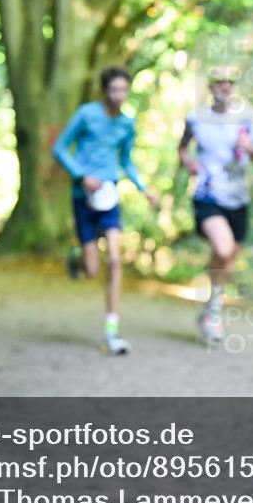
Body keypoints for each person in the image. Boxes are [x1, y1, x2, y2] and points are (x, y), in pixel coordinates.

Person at [53, 66, 158, 356]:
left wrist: (143, 187)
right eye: (114, 90)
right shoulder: (87, 114)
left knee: (114, 259)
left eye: (123, 90)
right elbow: (60, 148)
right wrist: (81, 175)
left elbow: (127, 161)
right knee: (92, 270)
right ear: (104, 90)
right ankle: (78, 258)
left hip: (110, 197)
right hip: (83, 197)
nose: (118, 96)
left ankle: (112, 330)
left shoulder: (127, 123)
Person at [178, 67, 253, 344]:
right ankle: (215, 314)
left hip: (238, 200)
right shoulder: (195, 118)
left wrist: (251, 148)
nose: (225, 87)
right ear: (211, 87)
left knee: (227, 257)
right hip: (207, 196)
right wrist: (187, 161)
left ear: (234, 87)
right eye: (219, 82)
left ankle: (210, 307)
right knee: (223, 248)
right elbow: (182, 147)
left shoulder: (247, 119)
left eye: (229, 82)